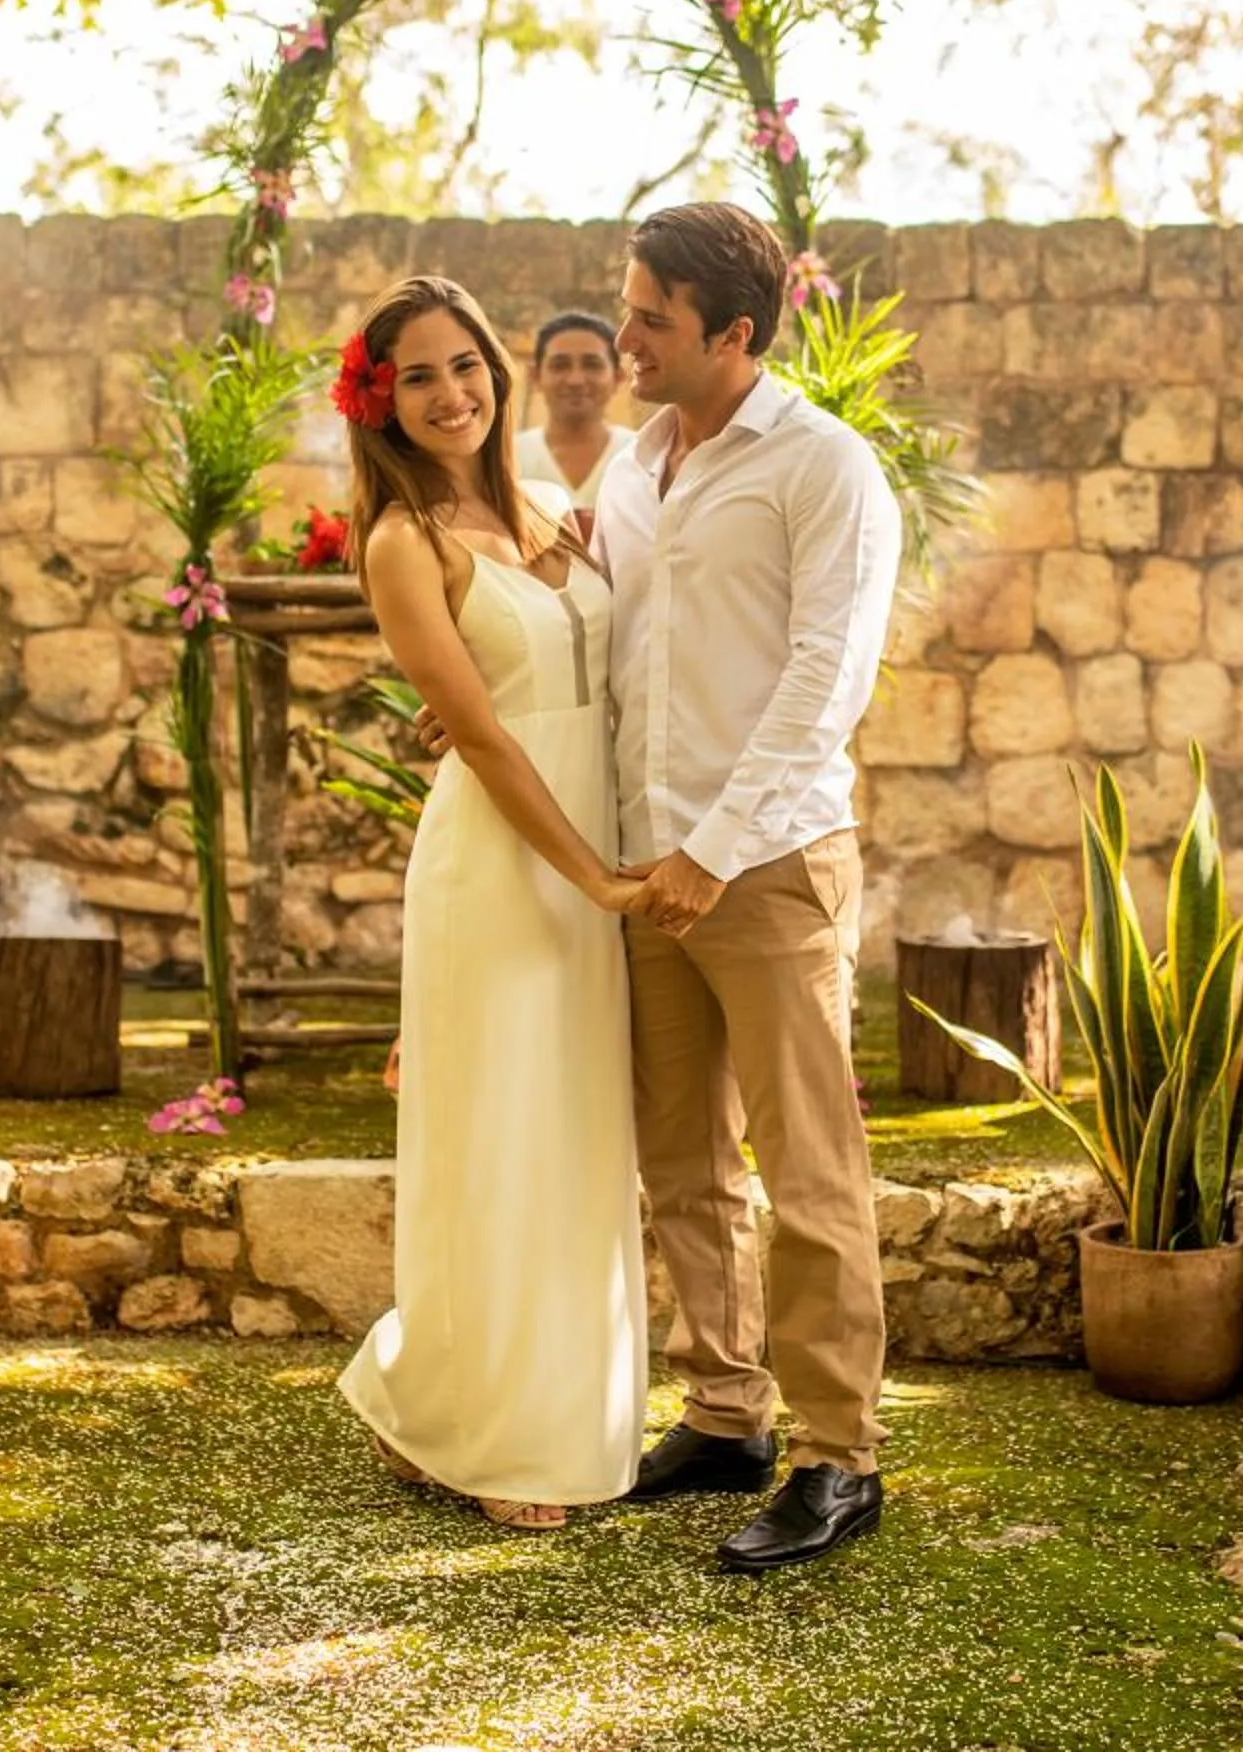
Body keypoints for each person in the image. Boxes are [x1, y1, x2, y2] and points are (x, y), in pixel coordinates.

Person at [594, 202, 902, 1574]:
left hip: (765, 863)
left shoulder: (825, 466)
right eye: (628, 307)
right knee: (682, 1156)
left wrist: (714, 850)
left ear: (732, 332)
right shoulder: (632, 467)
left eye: (651, 317)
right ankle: (725, 1411)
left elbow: (828, 675)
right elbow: (606, 647)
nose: (627, 336)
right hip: (647, 861)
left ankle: (841, 1455)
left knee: (807, 1163)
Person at [332, 275, 650, 1534]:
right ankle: (493, 1429)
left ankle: (438, 1394)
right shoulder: (400, 543)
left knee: (572, 1139)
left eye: (463, 363)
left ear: (494, 370)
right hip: (503, 868)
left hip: (588, 849)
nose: (450, 392)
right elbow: (483, 736)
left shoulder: (556, 510)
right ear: (382, 401)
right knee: (499, 1137)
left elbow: (594, 667)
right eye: (417, 375)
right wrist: (595, 877)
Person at [513, 310, 635, 529]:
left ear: (618, 376)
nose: (575, 380)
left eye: (592, 365)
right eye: (560, 365)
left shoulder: (644, 455)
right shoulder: (508, 456)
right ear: (535, 376)